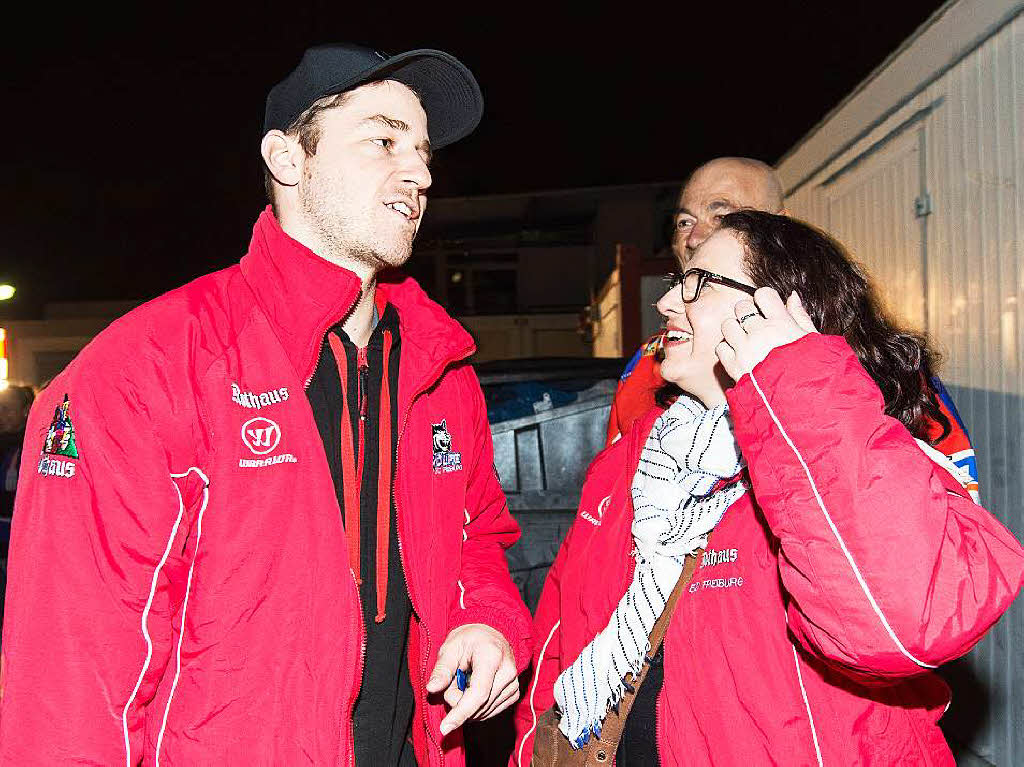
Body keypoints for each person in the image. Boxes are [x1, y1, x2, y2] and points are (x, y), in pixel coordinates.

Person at [0, 44, 532, 766]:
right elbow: (68, 680)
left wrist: (487, 622)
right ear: (288, 159)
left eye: (423, 151)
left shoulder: (442, 370)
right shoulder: (145, 370)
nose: (420, 172)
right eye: (383, 140)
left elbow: (479, 539)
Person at [514, 211, 1024, 765]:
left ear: (782, 306)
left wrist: (793, 375)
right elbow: (558, 645)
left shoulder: (870, 452)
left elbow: (904, 624)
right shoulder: (626, 463)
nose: (665, 306)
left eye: (698, 284)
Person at [606, 157, 980, 500]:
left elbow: (945, 516)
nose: (694, 237)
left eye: (723, 217)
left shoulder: (873, 361)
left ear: (782, 227)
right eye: (685, 221)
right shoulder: (649, 363)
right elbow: (611, 509)